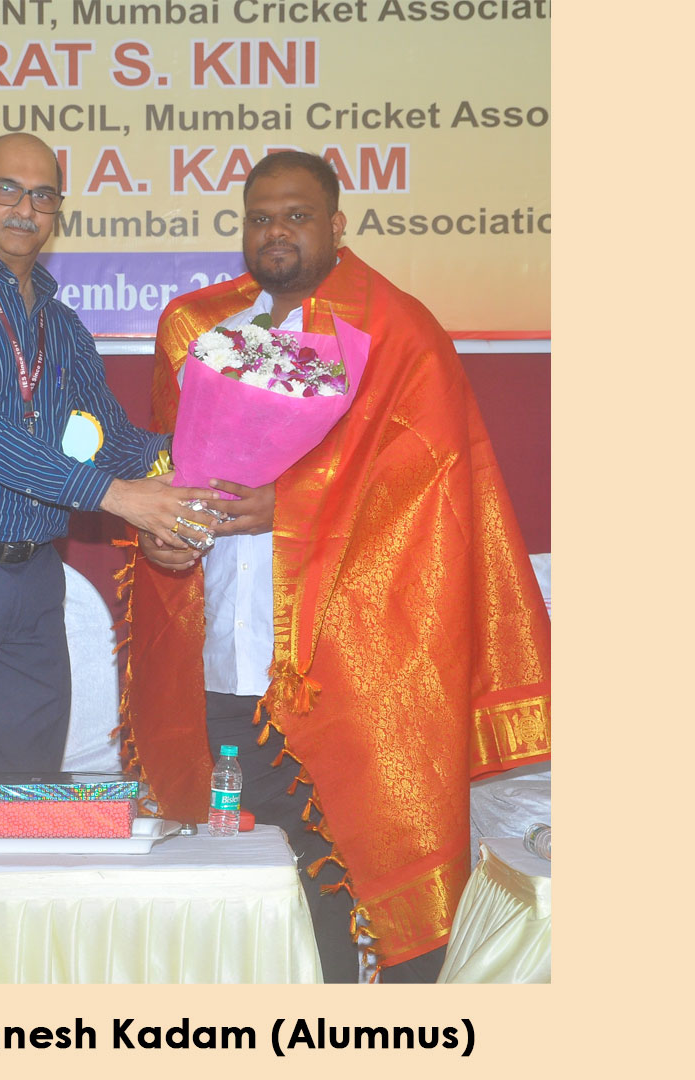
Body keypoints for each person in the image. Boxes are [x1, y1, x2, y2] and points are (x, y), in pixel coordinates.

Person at [124, 152, 551, 982]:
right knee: (255, 882)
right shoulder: (201, 330)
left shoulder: (397, 333)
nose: (276, 232)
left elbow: (427, 489)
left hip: (349, 672)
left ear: (337, 225)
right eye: (259, 218)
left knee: (372, 874)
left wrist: (288, 506)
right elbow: (170, 470)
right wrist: (164, 532)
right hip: (227, 655)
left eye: (296, 215)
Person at [0, 132, 219, 808]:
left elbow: (108, 438)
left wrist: (200, 468)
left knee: (22, 794)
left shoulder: (59, 326)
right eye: (7, 189)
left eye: (43, 195)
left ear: (57, 211)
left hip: (33, 579)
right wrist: (121, 499)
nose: (24, 208)